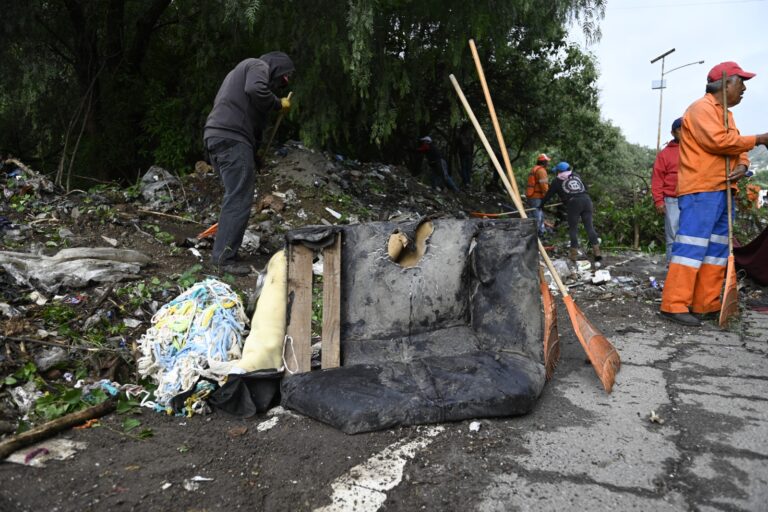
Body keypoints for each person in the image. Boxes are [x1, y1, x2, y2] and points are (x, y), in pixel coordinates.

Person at [659, 61, 768, 327]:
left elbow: (736, 147)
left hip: (722, 190)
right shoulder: (701, 108)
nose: (744, 88)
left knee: (716, 250)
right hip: (701, 189)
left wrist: (743, 164)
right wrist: (761, 139)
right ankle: (674, 304)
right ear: (725, 82)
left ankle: (705, 304)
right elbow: (719, 142)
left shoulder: (727, 115)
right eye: (741, 82)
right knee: (691, 247)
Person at [203, 52, 294, 274]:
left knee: (235, 196)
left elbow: (254, 127)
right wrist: (276, 103)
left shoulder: (243, 82)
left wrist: (254, 156)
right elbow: (255, 89)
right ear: (276, 67)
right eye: (283, 78)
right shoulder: (257, 65)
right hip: (231, 137)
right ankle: (223, 259)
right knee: (239, 198)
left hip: (219, 137)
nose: (282, 84)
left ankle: (223, 254)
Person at [541, 162, 601, 263]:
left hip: (574, 203)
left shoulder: (557, 180)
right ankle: (597, 253)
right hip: (586, 200)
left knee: (573, 229)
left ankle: (573, 256)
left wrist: (541, 205)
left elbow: (549, 195)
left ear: (559, 171)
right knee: (589, 227)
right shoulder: (576, 176)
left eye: (557, 171)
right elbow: (585, 188)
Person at [651, 118, 683, 264]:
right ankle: (672, 269)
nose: (684, 133)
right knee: (673, 237)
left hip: (693, 197)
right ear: (673, 132)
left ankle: (685, 269)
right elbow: (657, 179)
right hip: (672, 200)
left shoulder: (695, 150)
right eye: (680, 130)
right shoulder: (664, 154)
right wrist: (659, 202)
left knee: (691, 236)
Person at [525, 153, 552, 236]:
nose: (548, 163)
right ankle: (535, 235)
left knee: (536, 214)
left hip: (532, 196)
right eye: (547, 161)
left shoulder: (534, 169)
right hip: (536, 197)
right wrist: (548, 196)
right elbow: (544, 185)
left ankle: (541, 232)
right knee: (537, 216)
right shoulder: (541, 171)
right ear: (543, 162)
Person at [455, 123, 474, 188]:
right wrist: (471, 154)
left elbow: (456, 146)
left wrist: (456, 152)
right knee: (468, 169)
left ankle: (466, 182)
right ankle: (468, 182)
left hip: (462, 154)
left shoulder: (460, 136)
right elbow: (472, 147)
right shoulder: (470, 137)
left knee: (464, 168)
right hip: (469, 154)